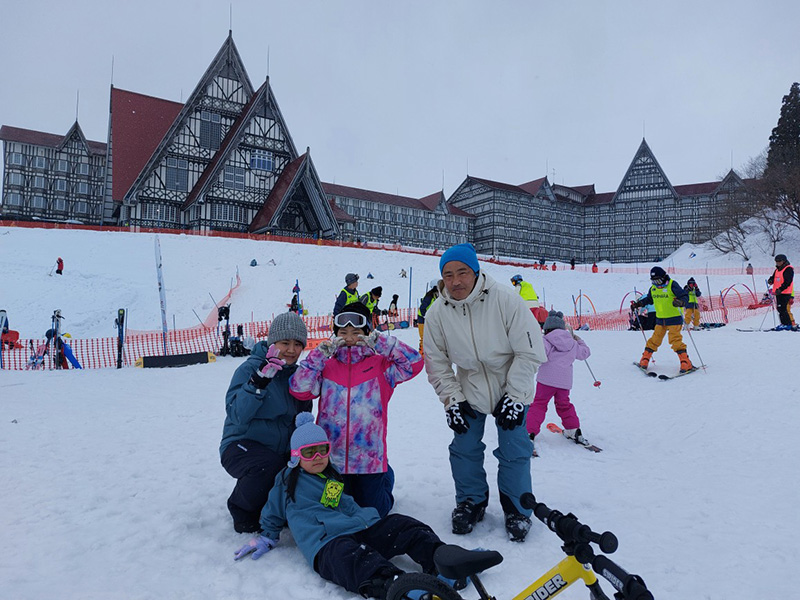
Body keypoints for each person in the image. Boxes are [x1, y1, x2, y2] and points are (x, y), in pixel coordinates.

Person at [234, 413, 469, 600]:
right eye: (308, 452)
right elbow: (273, 510)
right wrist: (268, 536)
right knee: (352, 559)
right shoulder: (287, 480)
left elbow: (344, 504)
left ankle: (443, 563)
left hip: (357, 529)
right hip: (326, 542)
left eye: (322, 449)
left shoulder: (332, 477)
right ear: (296, 455)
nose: (317, 456)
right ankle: (397, 585)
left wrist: (370, 522)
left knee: (403, 525)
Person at [423, 243, 546, 542]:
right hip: (470, 386)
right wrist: (452, 399)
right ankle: (471, 501)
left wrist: (515, 396)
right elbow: (436, 362)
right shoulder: (437, 312)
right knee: (464, 447)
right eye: (448, 274)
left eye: (462, 272)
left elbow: (530, 351)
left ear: (476, 272)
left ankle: (517, 508)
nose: (456, 281)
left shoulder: (506, 300)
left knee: (515, 448)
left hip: (510, 379)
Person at [290, 301, 423, 517]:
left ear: (367, 333)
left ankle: (385, 476)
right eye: (343, 332)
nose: (350, 338)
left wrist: (380, 342)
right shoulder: (327, 367)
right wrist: (319, 355)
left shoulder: (381, 366)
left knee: (376, 512)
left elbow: (414, 364)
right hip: (332, 462)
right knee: (333, 508)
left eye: (357, 332)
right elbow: (299, 389)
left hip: (369, 461)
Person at [219, 312, 310, 533]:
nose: (291, 350)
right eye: (285, 342)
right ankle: (242, 511)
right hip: (241, 445)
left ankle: (280, 509)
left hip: (280, 450)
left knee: (305, 468)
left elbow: (301, 420)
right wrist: (259, 381)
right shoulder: (251, 369)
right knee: (266, 466)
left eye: (297, 344)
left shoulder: (297, 376)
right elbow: (237, 414)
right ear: (272, 343)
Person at [525, 311, 592, 451]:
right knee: (564, 405)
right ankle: (574, 430)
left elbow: (540, 354)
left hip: (546, 380)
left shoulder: (546, 340)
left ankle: (529, 433)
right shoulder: (572, 342)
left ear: (546, 328)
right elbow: (585, 353)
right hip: (564, 382)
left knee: (539, 405)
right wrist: (578, 340)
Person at [631, 266, 694, 373]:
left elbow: (684, 295)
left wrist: (681, 302)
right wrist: (639, 304)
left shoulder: (672, 284)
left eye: (659, 280)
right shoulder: (653, 288)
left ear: (664, 277)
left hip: (674, 319)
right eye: (654, 281)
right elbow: (650, 299)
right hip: (660, 320)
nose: (657, 283)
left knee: (675, 340)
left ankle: (685, 362)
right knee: (654, 340)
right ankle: (645, 359)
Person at [768, 254, 795, 330]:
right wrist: (771, 280)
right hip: (778, 293)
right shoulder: (777, 270)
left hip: (785, 293)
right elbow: (773, 277)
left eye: (779, 261)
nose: (777, 263)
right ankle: (783, 323)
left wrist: (781, 289)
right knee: (780, 309)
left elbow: (788, 281)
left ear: (783, 261)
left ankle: (788, 324)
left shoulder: (788, 269)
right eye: (776, 261)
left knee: (784, 309)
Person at [416, 279, 440, 354]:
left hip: (430, 320)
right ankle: (421, 354)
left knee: (432, 338)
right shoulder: (429, 296)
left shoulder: (438, 296)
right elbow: (422, 308)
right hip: (423, 319)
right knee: (424, 338)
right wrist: (426, 316)